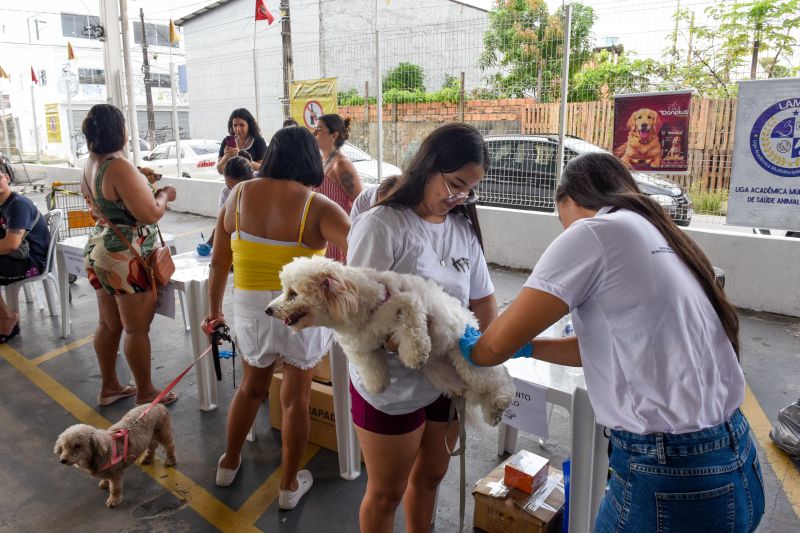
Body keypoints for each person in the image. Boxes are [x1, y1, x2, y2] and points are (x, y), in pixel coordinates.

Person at [460, 152, 765, 532]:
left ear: (569, 200)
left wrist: (461, 338)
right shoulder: (660, 232)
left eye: (561, 219)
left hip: (670, 474)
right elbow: (614, 347)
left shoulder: (593, 233)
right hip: (736, 458)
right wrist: (531, 346)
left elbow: (492, 347)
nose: (564, 229)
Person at [346, 123, 497, 532]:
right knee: (386, 493)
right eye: (454, 183)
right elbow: (358, 313)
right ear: (428, 166)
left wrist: (484, 354)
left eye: (469, 189)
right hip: (392, 385)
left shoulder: (462, 229)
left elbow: (482, 300)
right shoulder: (382, 225)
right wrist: (414, 344)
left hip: (447, 379)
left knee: (431, 478)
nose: (459, 197)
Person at [204, 126, 350, 509]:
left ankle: (228, 463)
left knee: (251, 388)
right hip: (299, 309)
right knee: (295, 398)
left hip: (251, 308)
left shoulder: (237, 195)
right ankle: (288, 485)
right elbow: (364, 245)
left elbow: (219, 263)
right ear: (308, 159)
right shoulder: (316, 206)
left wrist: (214, 312)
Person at [80, 104, 178, 406]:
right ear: (118, 130)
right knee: (136, 328)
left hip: (102, 249)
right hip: (126, 255)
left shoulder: (91, 163)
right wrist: (164, 195)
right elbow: (150, 214)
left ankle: (109, 386)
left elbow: (108, 201)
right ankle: (146, 391)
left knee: (109, 324)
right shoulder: (118, 166)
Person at [0, 157, 50, 343]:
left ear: (7, 178)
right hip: (15, 258)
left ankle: (7, 318)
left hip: (32, 262)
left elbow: (12, 244)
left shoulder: (17, 205)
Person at [312, 113, 363, 262]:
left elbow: (360, 202)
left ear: (333, 136)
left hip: (340, 234)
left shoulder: (341, 164)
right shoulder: (323, 160)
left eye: (319, 130)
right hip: (326, 233)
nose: (314, 133)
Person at [216, 108, 267, 174]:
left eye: (241, 125)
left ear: (249, 125)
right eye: (235, 125)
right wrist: (226, 156)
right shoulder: (226, 141)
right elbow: (220, 170)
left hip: (251, 182)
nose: (238, 129)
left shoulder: (258, 141)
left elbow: (262, 168)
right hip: (232, 182)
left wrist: (242, 157)